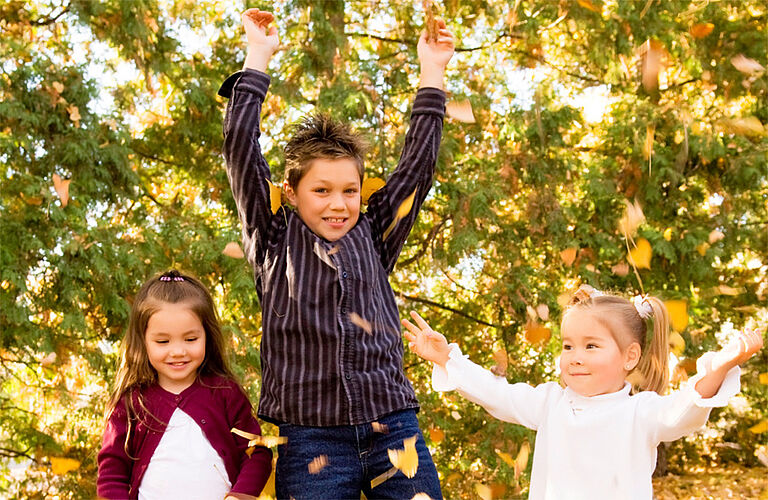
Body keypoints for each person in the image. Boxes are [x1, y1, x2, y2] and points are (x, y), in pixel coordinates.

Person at [218, 8, 454, 499]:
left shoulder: (374, 232)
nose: (338, 203)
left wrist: (433, 71)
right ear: (291, 191)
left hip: (392, 425)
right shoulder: (273, 238)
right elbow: (241, 147)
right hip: (311, 439)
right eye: (321, 190)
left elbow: (417, 169)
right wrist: (258, 56)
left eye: (349, 190)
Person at [402, 284, 764, 500]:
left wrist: (718, 366)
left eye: (591, 346)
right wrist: (448, 358)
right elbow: (498, 394)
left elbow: (685, 409)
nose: (575, 358)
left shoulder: (641, 413)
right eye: (568, 346)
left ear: (630, 356)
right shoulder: (550, 403)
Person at [97, 270, 272, 500]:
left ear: (206, 335)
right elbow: (111, 474)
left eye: (190, 339)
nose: (178, 351)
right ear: (143, 341)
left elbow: (256, 452)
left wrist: (240, 496)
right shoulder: (131, 402)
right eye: (163, 341)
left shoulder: (225, 393)